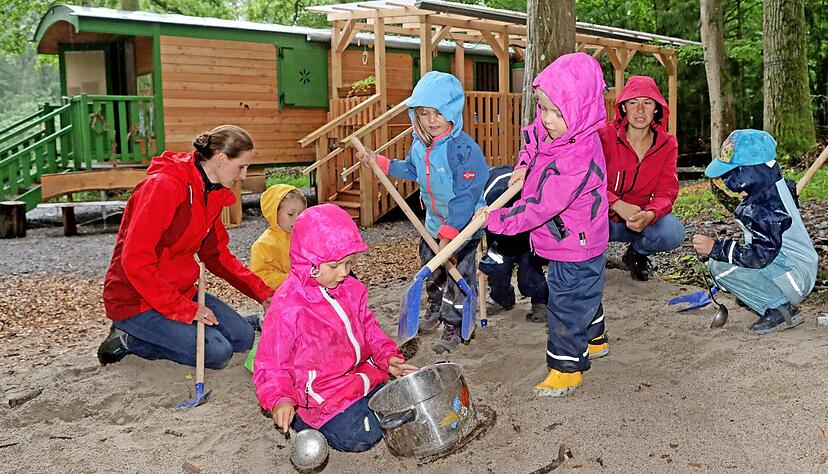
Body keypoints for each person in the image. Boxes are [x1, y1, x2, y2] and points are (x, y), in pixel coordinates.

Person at [480, 52, 609, 397]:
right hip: (570, 236)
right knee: (584, 292)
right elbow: (533, 137)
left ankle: (567, 368)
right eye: (542, 107)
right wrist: (523, 165)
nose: (547, 119)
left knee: (566, 301)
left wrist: (496, 219)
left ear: (580, 111)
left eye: (556, 112)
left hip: (577, 243)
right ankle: (595, 339)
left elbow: (539, 207)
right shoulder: (558, 127)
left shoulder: (578, 158)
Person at [97, 125, 273, 368]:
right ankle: (127, 339)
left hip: (179, 291)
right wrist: (184, 310)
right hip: (136, 299)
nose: (243, 176)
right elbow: (135, 261)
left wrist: (262, 293)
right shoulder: (164, 186)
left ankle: (178, 330)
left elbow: (216, 255)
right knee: (217, 353)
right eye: (241, 167)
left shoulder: (212, 192)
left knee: (242, 338)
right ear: (221, 159)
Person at [253, 204, 417, 453]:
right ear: (309, 262)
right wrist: (280, 399)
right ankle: (303, 421)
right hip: (320, 398)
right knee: (361, 436)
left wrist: (387, 357)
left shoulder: (351, 289)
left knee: (401, 398)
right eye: (334, 266)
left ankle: (368, 409)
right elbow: (271, 364)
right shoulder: (288, 306)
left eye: (349, 263)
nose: (343, 273)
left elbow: (370, 329)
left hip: (362, 377)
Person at [356, 71, 489, 354]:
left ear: (452, 111)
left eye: (438, 113)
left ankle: (454, 325)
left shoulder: (464, 150)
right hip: (433, 225)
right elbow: (411, 170)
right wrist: (380, 163)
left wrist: (450, 234)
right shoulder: (420, 146)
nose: (431, 120)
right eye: (424, 113)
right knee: (432, 268)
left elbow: (466, 196)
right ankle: (435, 307)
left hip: (463, 228)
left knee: (458, 278)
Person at [693, 129, 818, 334]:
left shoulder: (765, 208)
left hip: (794, 276)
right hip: (796, 267)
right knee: (731, 261)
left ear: (747, 174)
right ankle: (764, 292)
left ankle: (780, 309)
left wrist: (716, 248)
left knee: (719, 266)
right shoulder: (776, 187)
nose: (728, 182)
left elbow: (759, 256)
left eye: (730, 175)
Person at [599, 76, 685, 281]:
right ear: (623, 107)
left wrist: (650, 214)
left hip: (640, 219)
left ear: (656, 108)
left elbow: (667, 191)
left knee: (673, 232)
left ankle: (636, 254)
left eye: (647, 103)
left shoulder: (667, 144)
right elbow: (586, 181)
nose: (640, 110)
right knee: (578, 221)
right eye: (633, 102)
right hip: (602, 217)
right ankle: (589, 259)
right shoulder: (603, 136)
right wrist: (615, 203)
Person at [243, 184, 307, 373]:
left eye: (301, 214)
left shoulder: (304, 236)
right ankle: (261, 356)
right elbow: (261, 275)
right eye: (291, 214)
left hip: (304, 294)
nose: (296, 219)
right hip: (279, 299)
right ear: (274, 214)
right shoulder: (264, 244)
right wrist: (293, 278)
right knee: (282, 334)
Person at [477, 165, 549, 322]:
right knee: (497, 269)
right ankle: (501, 298)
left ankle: (540, 301)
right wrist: (486, 264)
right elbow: (488, 239)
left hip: (527, 236)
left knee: (530, 273)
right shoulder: (485, 199)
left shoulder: (528, 197)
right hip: (499, 237)